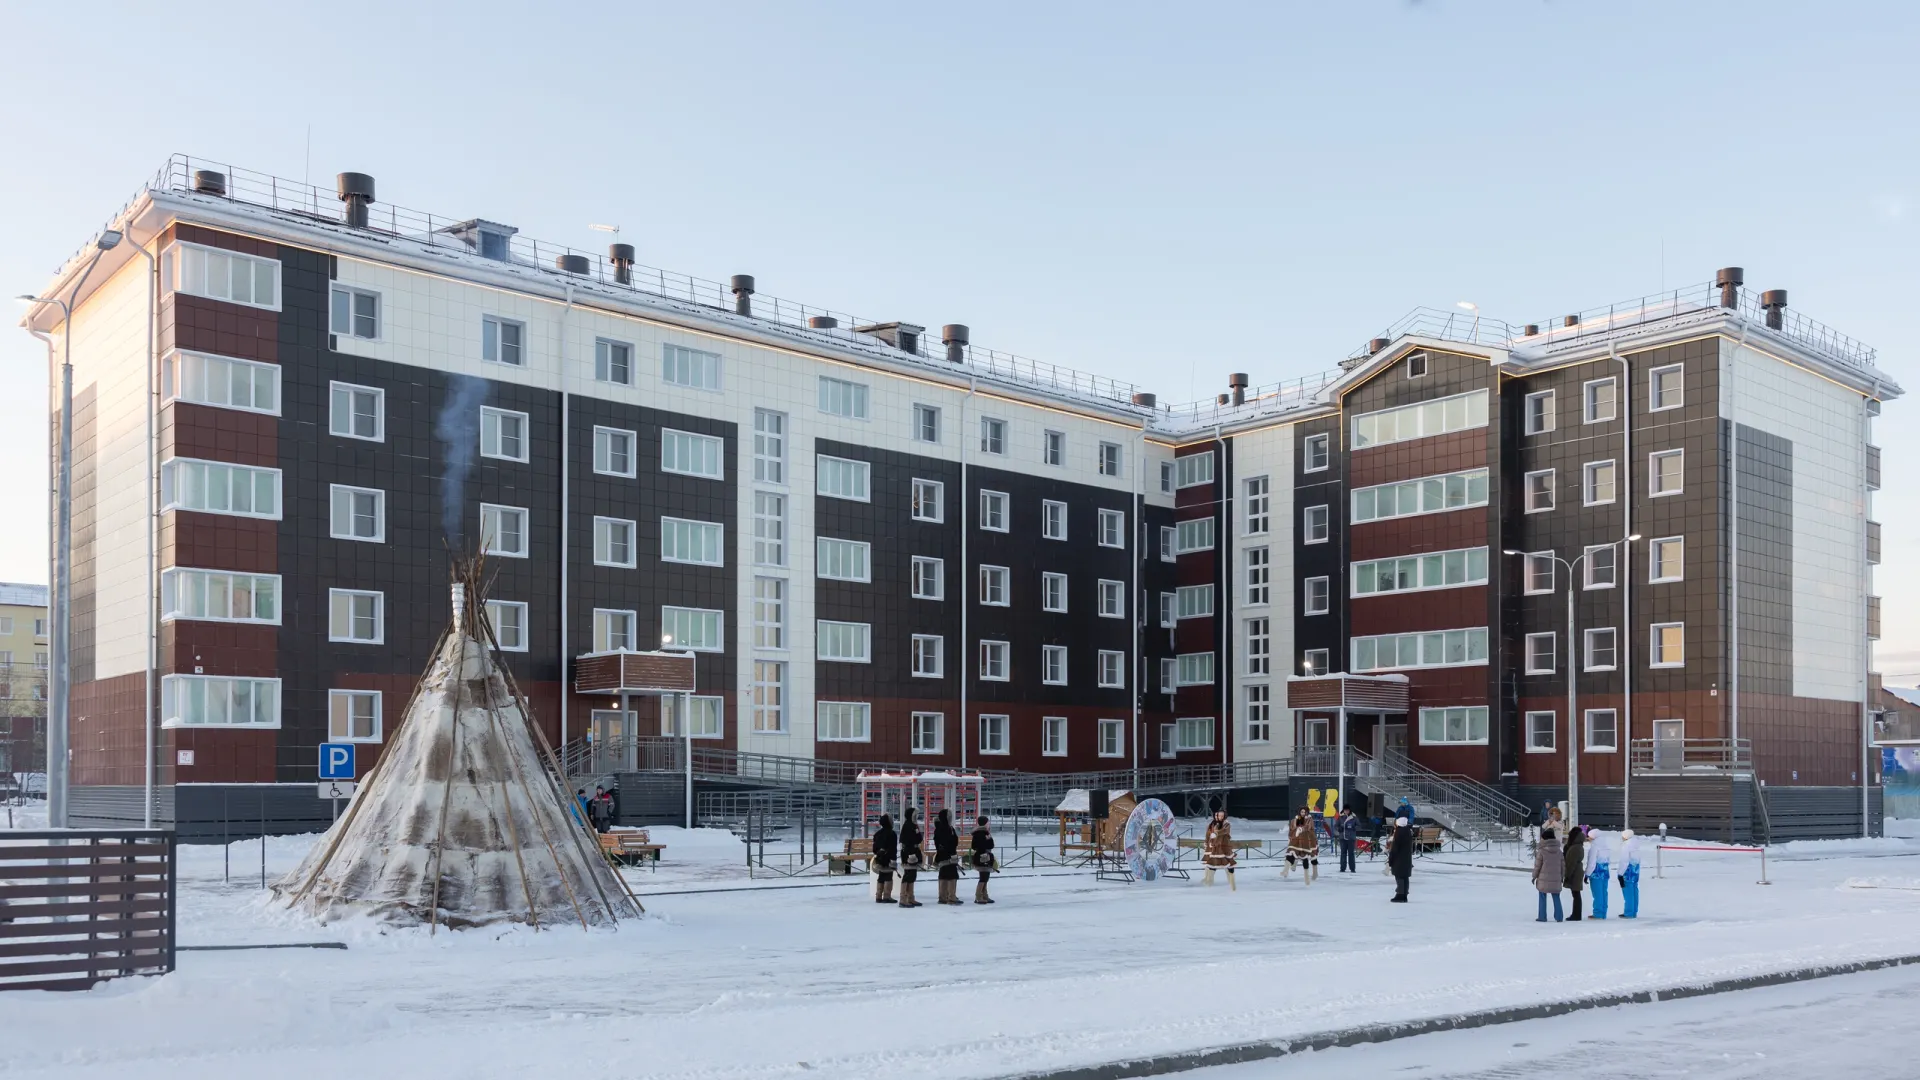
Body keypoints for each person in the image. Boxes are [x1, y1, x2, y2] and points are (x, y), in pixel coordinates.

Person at [1533, 817, 1565, 922]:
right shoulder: (1559, 851)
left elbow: (1537, 866)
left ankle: (1542, 916)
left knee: (1542, 896)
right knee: (1556, 897)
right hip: (1556, 879)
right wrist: (1562, 876)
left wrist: (1534, 876)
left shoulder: (1542, 851)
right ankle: (1559, 917)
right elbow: (1562, 865)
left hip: (1543, 879)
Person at [1201, 810, 1237, 890]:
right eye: (1218, 815)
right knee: (1211, 864)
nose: (1219, 817)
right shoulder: (1211, 825)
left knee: (1229, 864)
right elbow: (1208, 835)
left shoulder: (1226, 824)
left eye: (1221, 816)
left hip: (1224, 847)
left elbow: (1225, 831)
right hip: (1213, 847)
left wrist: (1216, 833)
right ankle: (1208, 882)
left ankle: (1232, 884)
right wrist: (1206, 842)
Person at [933, 808, 962, 906]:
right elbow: (953, 841)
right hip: (950, 855)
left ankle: (942, 896)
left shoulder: (938, 829)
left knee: (943, 875)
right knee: (952, 876)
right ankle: (951, 897)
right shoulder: (948, 829)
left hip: (941, 855)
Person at [897, 808, 924, 908]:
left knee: (912, 875)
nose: (916, 817)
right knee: (908, 875)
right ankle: (903, 898)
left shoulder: (913, 825)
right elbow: (906, 841)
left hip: (914, 851)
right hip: (909, 852)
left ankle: (910, 897)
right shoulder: (907, 826)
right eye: (915, 815)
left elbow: (919, 838)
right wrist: (909, 854)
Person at [1284, 809, 1319, 884]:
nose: (1303, 813)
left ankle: (1315, 873)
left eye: (1304, 812)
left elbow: (1308, 827)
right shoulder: (1296, 819)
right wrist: (1291, 837)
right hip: (1298, 841)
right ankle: (1290, 868)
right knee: (1294, 853)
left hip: (1310, 841)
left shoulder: (1309, 820)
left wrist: (1301, 829)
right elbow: (1292, 829)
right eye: (1301, 812)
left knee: (1312, 857)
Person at [970, 815, 997, 904]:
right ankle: (979, 896)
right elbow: (991, 845)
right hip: (984, 857)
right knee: (984, 877)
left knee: (985, 877)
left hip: (979, 856)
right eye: (988, 822)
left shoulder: (976, 833)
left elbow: (973, 846)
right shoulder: (985, 834)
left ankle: (984, 895)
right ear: (985, 823)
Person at [1586, 826, 1612, 919]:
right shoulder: (1605, 846)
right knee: (1604, 892)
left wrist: (1587, 874)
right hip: (1605, 873)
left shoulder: (1594, 847)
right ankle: (1603, 912)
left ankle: (1597, 913)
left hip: (1596, 873)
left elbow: (1592, 862)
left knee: (1597, 894)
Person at [872, 813, 898, 904]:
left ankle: (878, 895)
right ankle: (887, 896)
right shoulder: (892, 834)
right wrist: (893, 860)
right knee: (888, 877)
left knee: (881, 876)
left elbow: (874, 848)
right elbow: (893, 849)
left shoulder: (877, 834)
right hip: (889, 858)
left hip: (879, 857)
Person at [1563, 825, 1586, 921]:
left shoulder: (1574, 848)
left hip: (1575, 872)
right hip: (1578, 870)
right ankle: (1576, 914)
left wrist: (1567, 875)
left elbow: (1570, 863)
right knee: (1576, 893)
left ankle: (1576, 914)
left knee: (1575, 894)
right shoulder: (1578, 845)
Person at [1387, 816, 1413, 902]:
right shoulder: (1408, 831)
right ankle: (1405, 894)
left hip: (1399, 859)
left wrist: (1390, 859)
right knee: (1405, 877)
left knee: (1399, 877)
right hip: (1406, 858)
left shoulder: (1398, 833)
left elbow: (1395, 848)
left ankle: (1400, 895)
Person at [1619, 828, 1643, 918]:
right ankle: (1633, 911)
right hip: (1635, 871)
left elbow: (1624, 861)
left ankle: (1628, 912)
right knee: (1634, 891)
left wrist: (1620, 874)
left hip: (1627, 872)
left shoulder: (1626, 846)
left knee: (1628, 892)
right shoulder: (1636, 845)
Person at [1336, 807, 1360, 873]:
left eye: (1347, 810)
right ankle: (1342, 868)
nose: (1346, 811)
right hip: (1342, 838)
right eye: (1345, 810)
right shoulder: (1340, 817)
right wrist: (1339, 829)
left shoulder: (1354, 817)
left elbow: (1359, 826)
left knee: (1351, 853)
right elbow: (1336, 825)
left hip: (1351, 838)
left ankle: (1352, 868)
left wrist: (1353, 828)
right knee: (1343, 853)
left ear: (1349, 810)